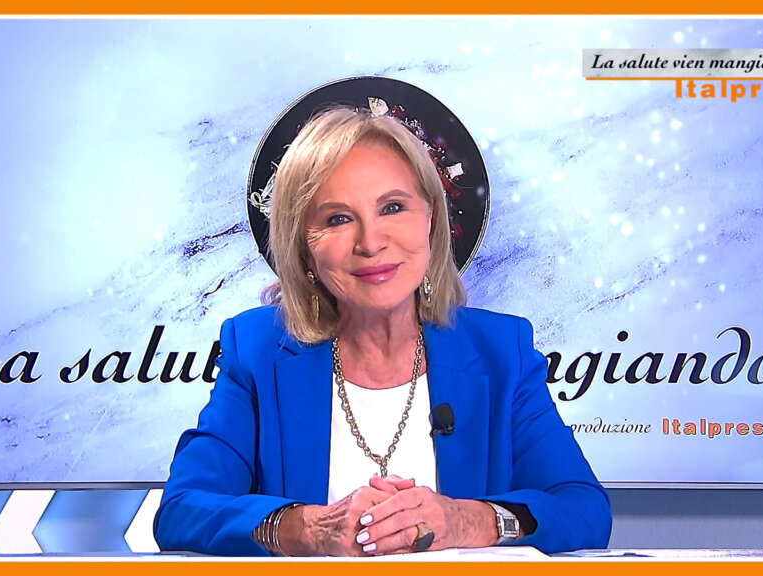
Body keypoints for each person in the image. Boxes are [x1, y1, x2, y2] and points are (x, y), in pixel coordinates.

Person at [153, 104, 612, 556]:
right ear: (304, 247)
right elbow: (182, 511)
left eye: (393, 207)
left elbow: (584, 510)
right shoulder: (257, 351)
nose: (371, 243)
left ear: (431, 219)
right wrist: (307, 529)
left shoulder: (501, 353)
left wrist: (467, 520)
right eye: (337, 219)